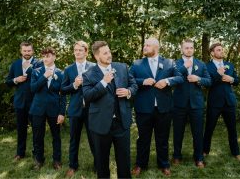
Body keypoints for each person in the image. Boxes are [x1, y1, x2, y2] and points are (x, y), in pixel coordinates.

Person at [82, 41, 138, 178]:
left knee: (124, 161)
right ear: (96, 56)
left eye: (109, 51)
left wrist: (128, 91)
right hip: (100, 124)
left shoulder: (122, 67)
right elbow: (88, 96)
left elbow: (134, 85)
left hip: (121, 122)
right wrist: (103, 82)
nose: (109, 55)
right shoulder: (88, 74)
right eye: (105, 53)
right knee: (101, 162)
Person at [130, 37, 183, 177]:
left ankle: (164, 164)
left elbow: (180, 78)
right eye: (144, 45)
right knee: (142, 139)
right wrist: (143, 81)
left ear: (156, 47)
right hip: (143, 108)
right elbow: (129, 80)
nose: (144, 47)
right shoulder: (137, 64)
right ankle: (140, 164)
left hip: (164, 108)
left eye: (148, 45)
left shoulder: (170, 62)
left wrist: (167, 81)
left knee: (163, 138)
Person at [172, 39, 211, 168]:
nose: (189, 50)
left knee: (198, 132)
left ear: (194, 49)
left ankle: (199, 157)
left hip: (197, 104)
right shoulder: (175, 64)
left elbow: (209, 81)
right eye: (186, 48)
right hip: (179, 103)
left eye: (191, 47)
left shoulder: (201, 64)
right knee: (178, 131)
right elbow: (174, 77)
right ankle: (177, 156)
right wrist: (185, 67)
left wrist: (198, 79)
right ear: (182, 49)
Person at [61, 41, 96, 177]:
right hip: (75, 110)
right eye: (75, 50)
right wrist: (74, 85)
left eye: (80, 50)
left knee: (94, 139)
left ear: (86, 52)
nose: (77, 52)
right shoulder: (68, 69)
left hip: (91, 109)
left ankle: (98, 165)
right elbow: (63, 90)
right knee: (74, 139)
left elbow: (99, 85)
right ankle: (72, 166)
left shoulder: (94, 67)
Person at [203, 43, 240, 161]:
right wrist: (218, 74)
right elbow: (208, 83)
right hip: (214, 102)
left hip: (229, 102)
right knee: (209, 128)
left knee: (232, 129)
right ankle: (205, 151)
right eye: (218, 50)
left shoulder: (229, 65)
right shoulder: (207, 66)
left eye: (222, 49)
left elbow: (237, 80)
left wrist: (232, 79)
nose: (221, 51)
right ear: (212, 52)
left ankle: (236, 152)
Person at [29, 47, 66, 170]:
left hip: (54, 109)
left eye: (48, 56)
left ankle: (57, 160)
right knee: (38, 136)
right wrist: (44, 77)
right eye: (44, 56)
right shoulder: (36, 71)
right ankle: (39, 160)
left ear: (54, 57)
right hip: (38, 108)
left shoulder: (61, 73)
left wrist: (62, 113)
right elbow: (33, 89)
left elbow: (63, 94)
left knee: (56, 136)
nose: (45, 58)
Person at [6, 41, 43, 161]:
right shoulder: (15, 64)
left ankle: (36, 153)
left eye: (29, 51)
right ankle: (20, 153)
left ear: (32, 51)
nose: (27, 53)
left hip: (35, 101)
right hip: (20, 102)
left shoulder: (39, 63)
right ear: (21, 51)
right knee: (21, 129)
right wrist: (16, 79)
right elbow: (8, 82)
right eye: (24, 51)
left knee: (37, 129)